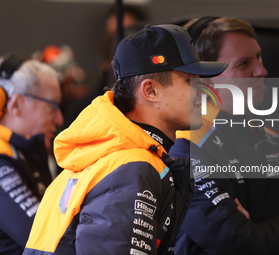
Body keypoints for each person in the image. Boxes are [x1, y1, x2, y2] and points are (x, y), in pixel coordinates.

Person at [23, 24, 227, 255]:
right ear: (150, 91)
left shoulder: (108, 154)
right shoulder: (133, 166)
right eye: (190, 81)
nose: (204, 91)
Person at [168, 17, 279, 254]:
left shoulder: (271, 139)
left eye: (259, 57)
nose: (262, 71)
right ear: (204, 80)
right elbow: (236, 243)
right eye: (243, 64)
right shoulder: (185, 146)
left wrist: (260, 232)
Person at [0, 53, 63, 255]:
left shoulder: (23, 155)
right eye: (52, 106)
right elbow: (45, 240)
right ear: (16, 104)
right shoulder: (2, 163)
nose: (60, 119)